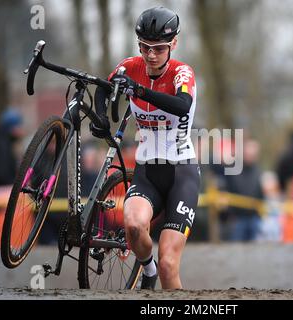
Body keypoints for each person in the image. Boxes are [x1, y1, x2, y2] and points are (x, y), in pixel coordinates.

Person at [90, 6, 200, 290]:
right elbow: (103, 87)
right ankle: (146, 270)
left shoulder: (182, 73)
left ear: (173, 44)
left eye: (159, 49)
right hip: (147, 170)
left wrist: (138, 90)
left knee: (168, 265)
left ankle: (159, 274)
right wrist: (102, 116)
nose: (150, 55)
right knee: (135, 226)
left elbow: (182, 104)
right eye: (145, 47)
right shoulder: (131, 65)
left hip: (181, 173)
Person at [0, 108, 25, 187]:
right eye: (19, 126)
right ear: (12, 127)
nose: (21, 130)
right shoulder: (1, 144)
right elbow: (1, 175)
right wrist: (16, 185)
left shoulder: (1, 140)